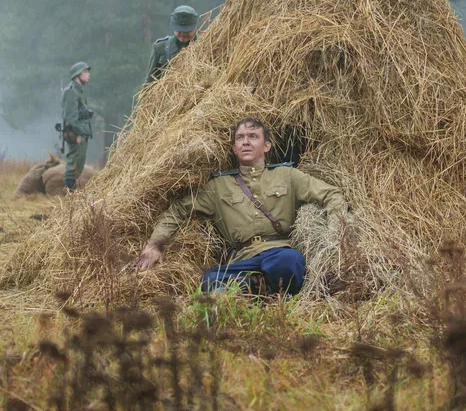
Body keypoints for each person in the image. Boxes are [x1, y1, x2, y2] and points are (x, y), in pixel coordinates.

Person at [134, 117, 345, 295]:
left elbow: (331, 194)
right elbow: (178, 210)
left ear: (266, 146)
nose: (246, 142)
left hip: (279, 252)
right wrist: (155, 244)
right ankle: (259, 287)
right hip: (242, 260)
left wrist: (335, 235)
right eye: (240, 138)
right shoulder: (218, 186)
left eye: (253, 137)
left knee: (290, 261)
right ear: (234, 148)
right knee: (209, 280)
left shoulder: (288, 176)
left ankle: (249, 291)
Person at [144, 5, 200, 85]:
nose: (183, 34)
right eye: (179, 30)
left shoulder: (206, 46)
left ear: (195, 27)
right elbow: (149, 82)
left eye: (187, 31)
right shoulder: (160, 48)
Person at [61, 61, 94, 190]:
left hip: (82, 132)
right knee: (73, 165)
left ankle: (72, 196)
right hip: (76, 133)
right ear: (77, 75)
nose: (88, 74)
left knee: (78, 165)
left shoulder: (79, 91)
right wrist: (78, 133)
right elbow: (70, 117)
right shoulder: (71, 92)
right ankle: (69, 197)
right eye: (85, 72)